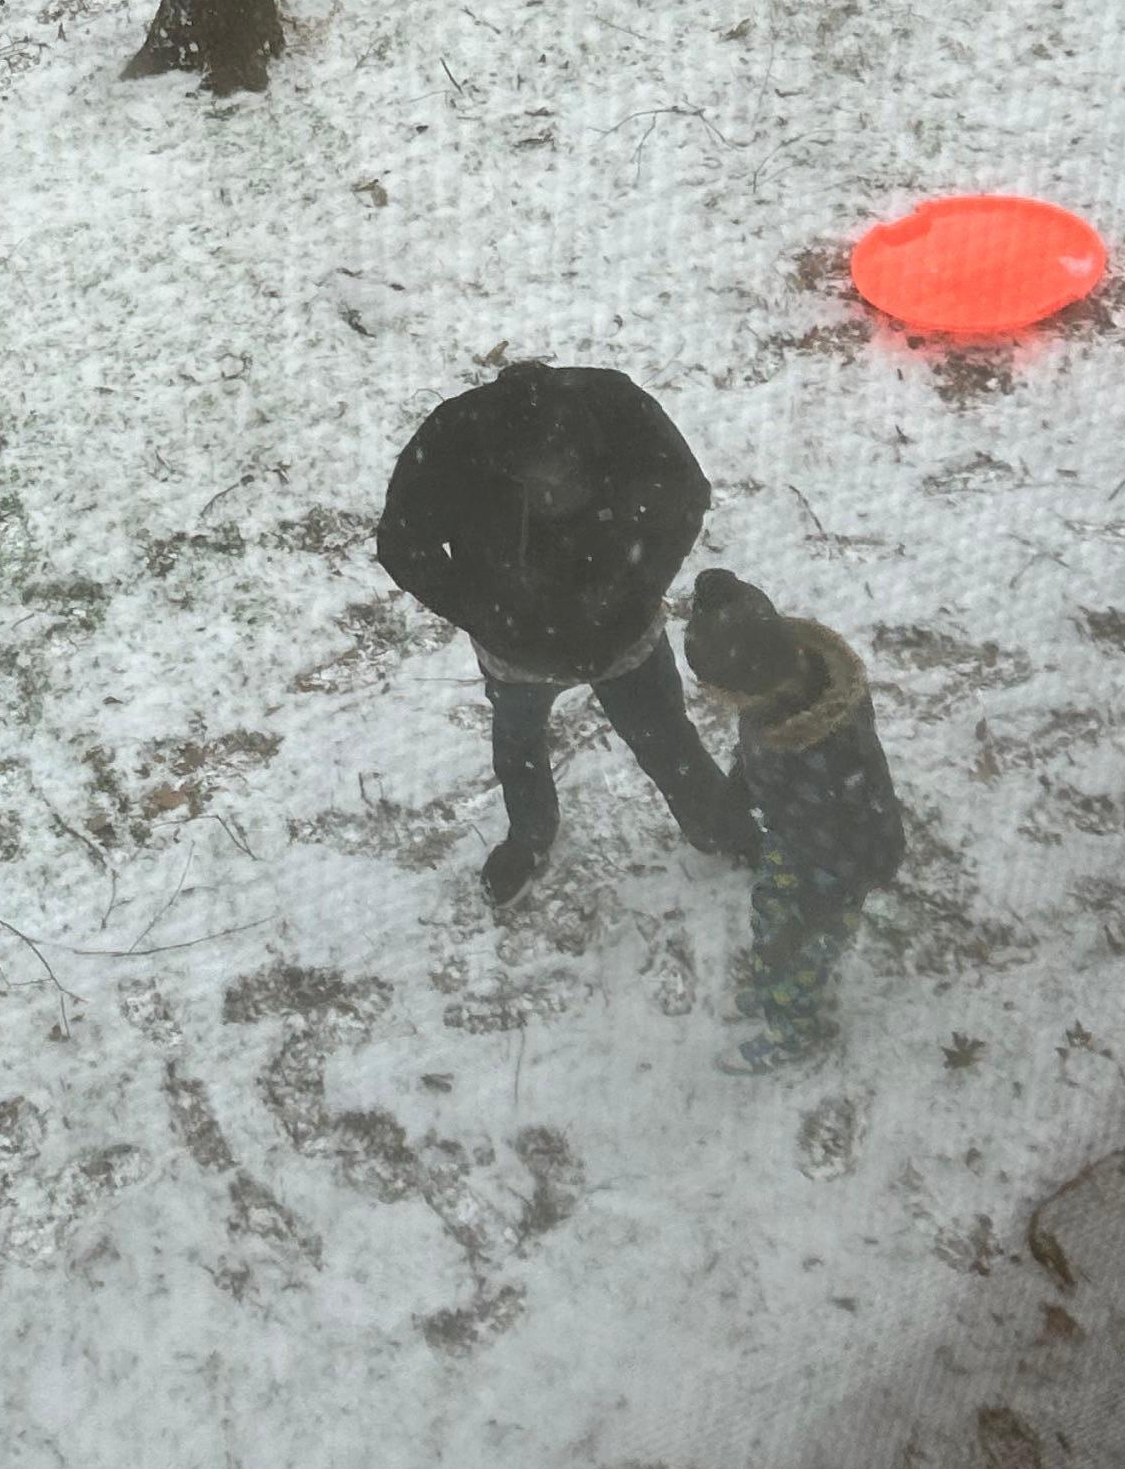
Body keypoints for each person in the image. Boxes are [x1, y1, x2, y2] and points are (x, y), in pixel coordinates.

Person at [375, 360, 760, 907]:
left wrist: (638, 585)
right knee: (518, 744)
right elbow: (401, 543)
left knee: (665, 736)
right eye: (537, 481)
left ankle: (721, 829)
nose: (554, 491)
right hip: (515, 651)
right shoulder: (451, 442)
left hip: (623, 637)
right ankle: (530, 837)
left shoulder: (620, 410)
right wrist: (485, 612)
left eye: (565, 474)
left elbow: (686, 493)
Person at [682, 568, 907, 1073]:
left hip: (838, 866)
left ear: (746, 685)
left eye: (716, 689)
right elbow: (758, 750)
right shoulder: (785, 691)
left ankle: (791, 1029)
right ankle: (773, 983)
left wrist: (818, 903)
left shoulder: (821, 752)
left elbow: (854, 826)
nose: (715, 699)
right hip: (798, 841)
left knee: (796, 948)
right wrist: (736, 791)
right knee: (771, 922)